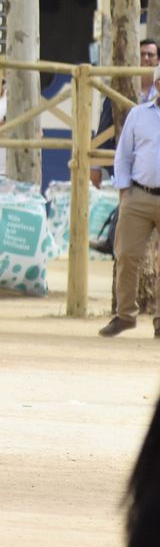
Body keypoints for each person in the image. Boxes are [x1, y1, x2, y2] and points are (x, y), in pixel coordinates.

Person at [100, 64, 160, 338]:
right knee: (125, 256)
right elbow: (122, 155)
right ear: (157, 85)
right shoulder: (138, 115)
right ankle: (125, 315)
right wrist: (124, 191)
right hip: (138, 195)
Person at [93, 38, 159, 188]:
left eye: (150, 55)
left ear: (158, 60)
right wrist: (95, 165)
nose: (146, 58)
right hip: (123, 168)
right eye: (142, 54)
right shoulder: (119, 91)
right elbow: (104, 126)